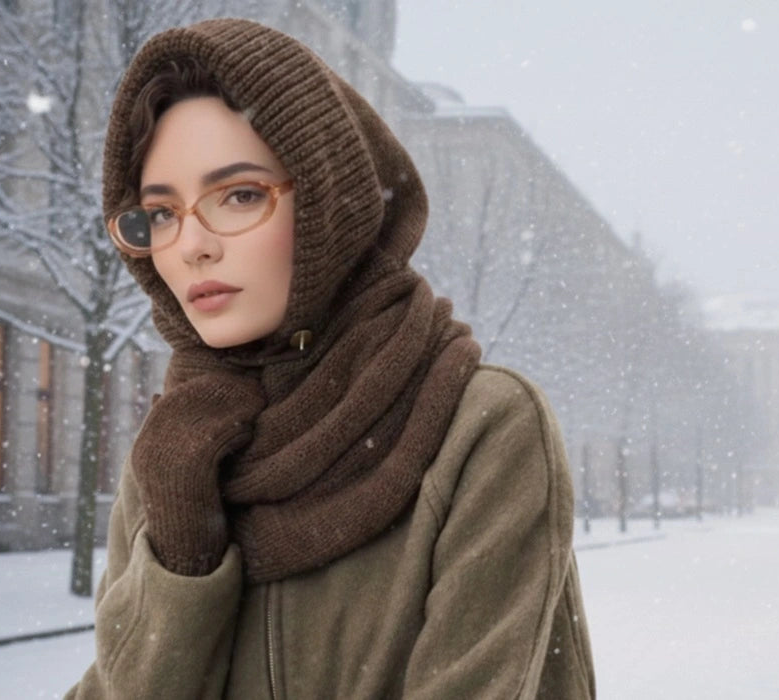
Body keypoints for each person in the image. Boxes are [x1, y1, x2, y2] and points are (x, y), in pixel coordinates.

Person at [66, 17, 595, 699]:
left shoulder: (483, 428)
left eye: (240, 195)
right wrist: (182, 554)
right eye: (159, 213)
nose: (190, 244)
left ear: (328, 203)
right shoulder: (176, 450)